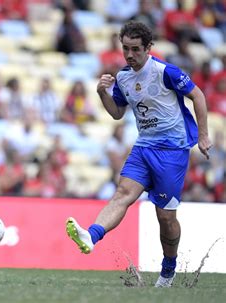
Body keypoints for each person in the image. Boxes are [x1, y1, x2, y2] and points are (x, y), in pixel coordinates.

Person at [65, 21, 212, 288]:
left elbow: (198, 96)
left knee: (165, 217)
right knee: (122, 193)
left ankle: (168, 271)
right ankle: (91, 236)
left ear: (148, 48)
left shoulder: (165, 71)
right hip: (143, 147)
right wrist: (101, 93)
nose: (129, 55)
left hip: (172, 151)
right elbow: (117, 112)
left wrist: (203, 135)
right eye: (125, 49)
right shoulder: (123, 77)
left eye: (135, 49)